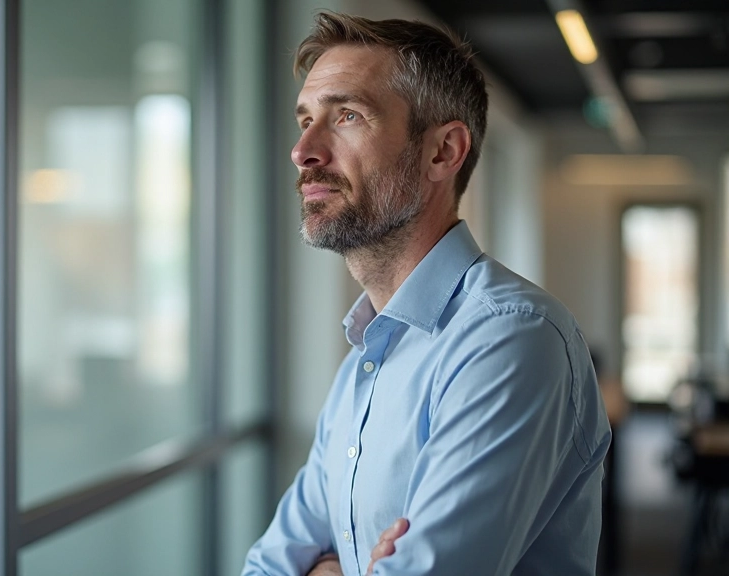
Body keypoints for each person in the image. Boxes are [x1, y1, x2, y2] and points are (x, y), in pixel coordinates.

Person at [241, 12, 611, 576]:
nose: (304, 150)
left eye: (346, 115)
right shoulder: (366, 359)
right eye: (304, 119)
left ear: (443, 152)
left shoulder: (510, 339)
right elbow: (267, 565)